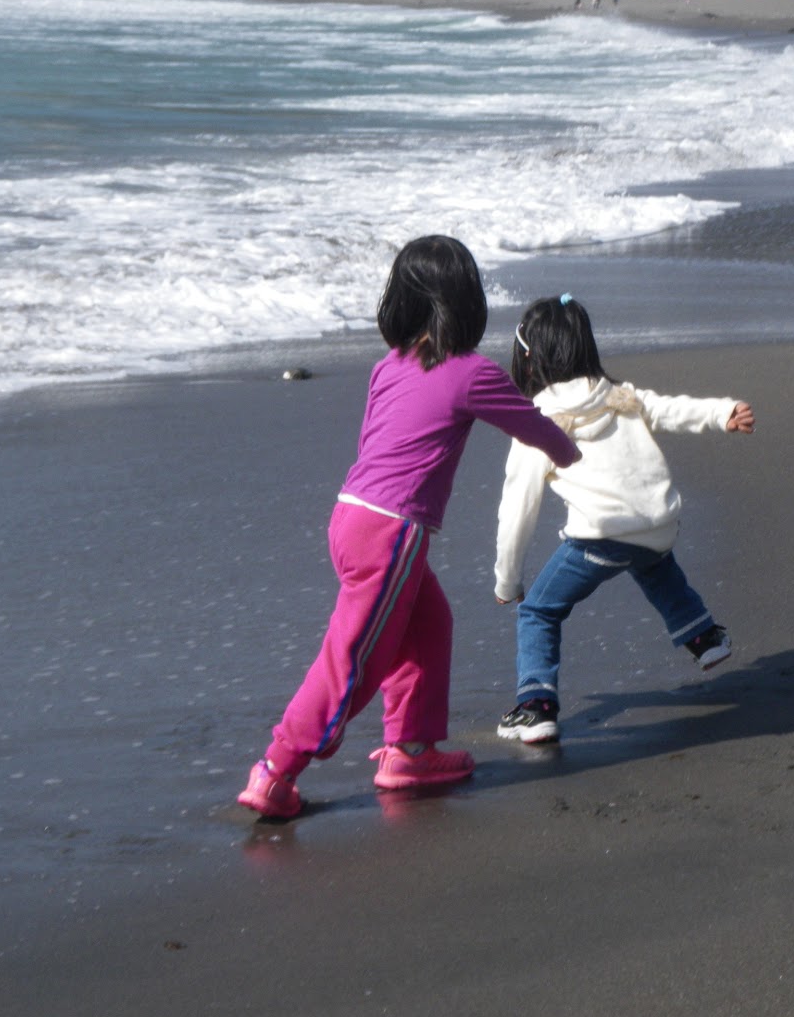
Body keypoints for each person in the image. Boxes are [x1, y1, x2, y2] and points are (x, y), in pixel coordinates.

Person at [236, 237, 582, 819]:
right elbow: (531, 424)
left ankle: (411, 752)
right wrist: (571, 454)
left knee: (428, 625)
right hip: (391, 533)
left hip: (350, 515)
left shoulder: (387, 367)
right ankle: (276, 768)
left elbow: (374, 441)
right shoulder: (471, 373)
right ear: (467, 303)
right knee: (352, 658)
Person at [492, 295, 755, 744]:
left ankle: (536, 706)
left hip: (600, 536)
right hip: (658, 524)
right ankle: (704, 638)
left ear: (527, 358)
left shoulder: (537, 423)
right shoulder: (621, 397)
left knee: (538, 610)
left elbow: (517, 508)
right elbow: (670, 408)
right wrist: (721, 412)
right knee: (652, 563)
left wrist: (507, 580)